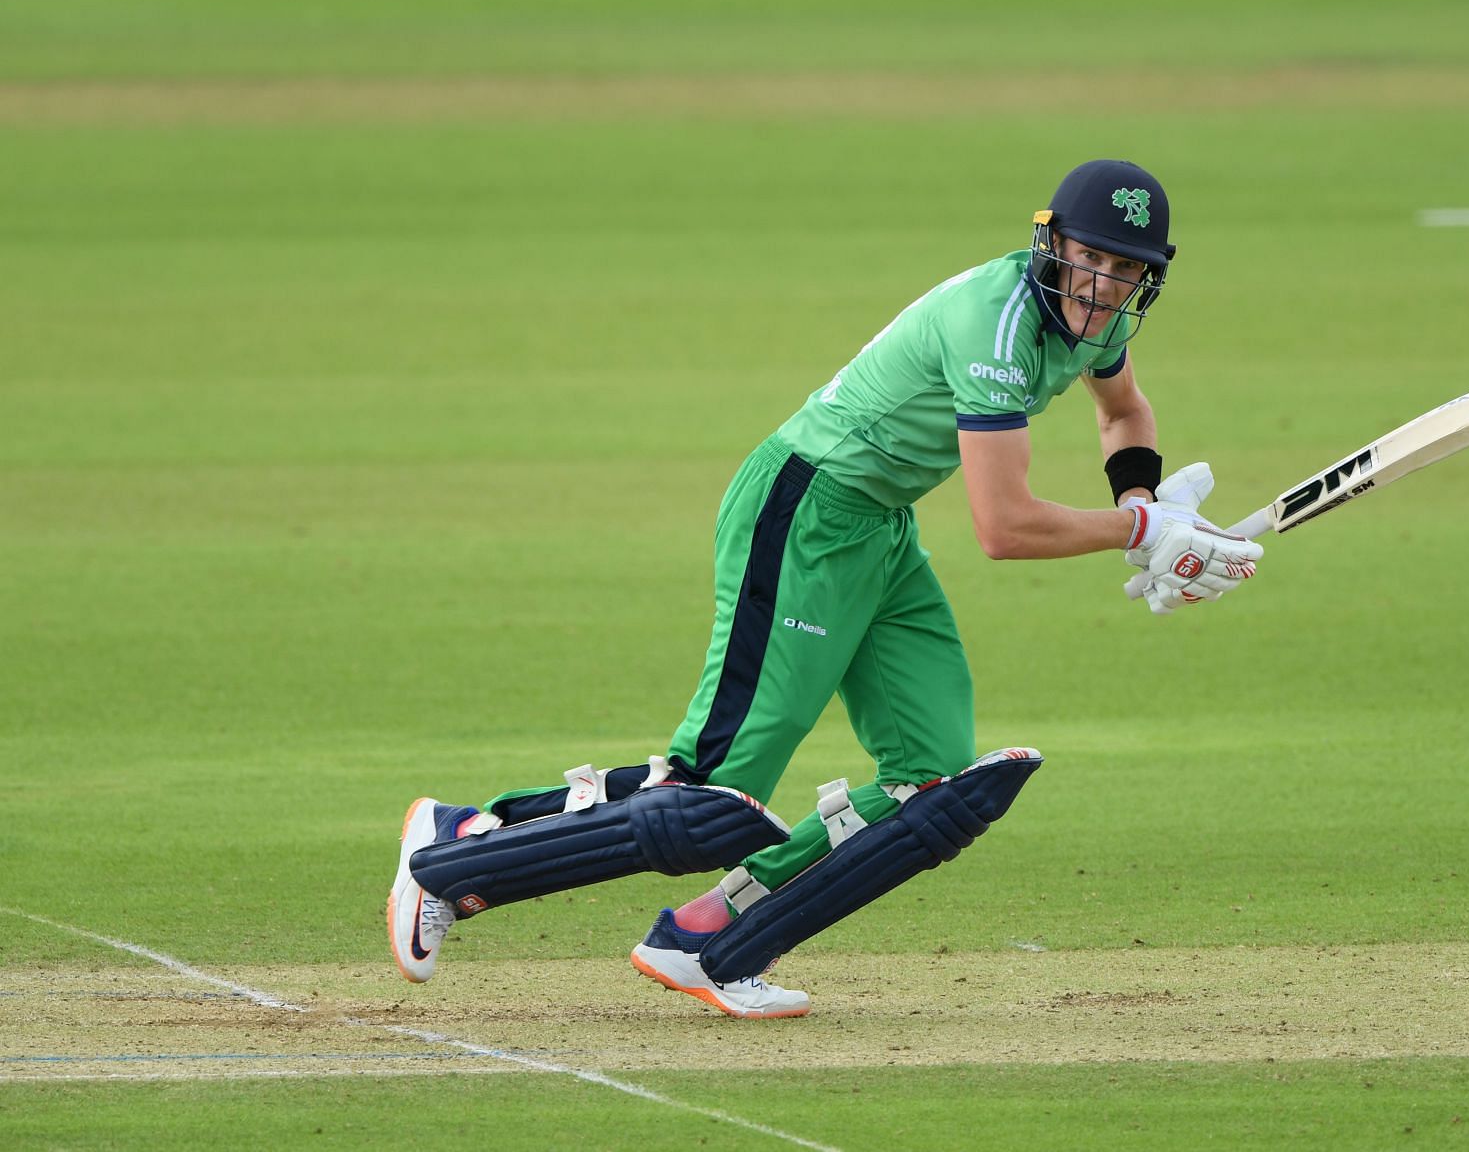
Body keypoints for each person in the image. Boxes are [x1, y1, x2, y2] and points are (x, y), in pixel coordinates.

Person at [385, 159, 1264, 1017]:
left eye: (1123, 269)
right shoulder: (992, 325)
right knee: (710, 803)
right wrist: (1150, 536)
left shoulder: (1101, 324)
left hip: (879, 527)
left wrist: (1146, 506)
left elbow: (1124, 414)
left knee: (934, 784)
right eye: (1088, 257)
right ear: (1050, 244)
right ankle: (455, 857)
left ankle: (708, 935)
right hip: (804, 508)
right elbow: (1004, 528)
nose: (1100, 284)